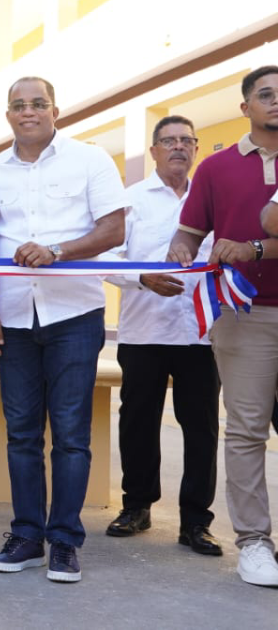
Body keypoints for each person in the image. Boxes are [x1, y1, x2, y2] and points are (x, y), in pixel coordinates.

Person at [0, 76, 127, 583]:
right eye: (18, 105)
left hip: (74, 318)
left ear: (55, 111)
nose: (29, 112)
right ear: (8, 115)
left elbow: (113, 229)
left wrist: (57, 251)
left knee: (70, 436)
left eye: (38, 104)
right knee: (21, 435)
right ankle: (26, 536)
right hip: (14, 318)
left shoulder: (90, 160)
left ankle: (64, 541)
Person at [175, 65, 278, 587]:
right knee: (245, 431)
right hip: (244, 314)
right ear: (245, 107)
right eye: (266, 94)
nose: (277, 101)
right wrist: (176, 256)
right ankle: (255, 542)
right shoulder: (215, 167)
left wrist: (255, 247)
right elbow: (189, 234)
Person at [105, 116, 221, 556]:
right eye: (168, 141)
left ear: (196, 149)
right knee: (138, 420)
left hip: (202, 333)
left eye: (186, 140)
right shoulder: (131, 199)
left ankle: (196, 521)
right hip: (144, 329)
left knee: (201, 427)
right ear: (153, 150)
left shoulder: (213, 199)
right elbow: (107, 257)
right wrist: (142, 277)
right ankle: (136, 506)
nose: (178, 147)